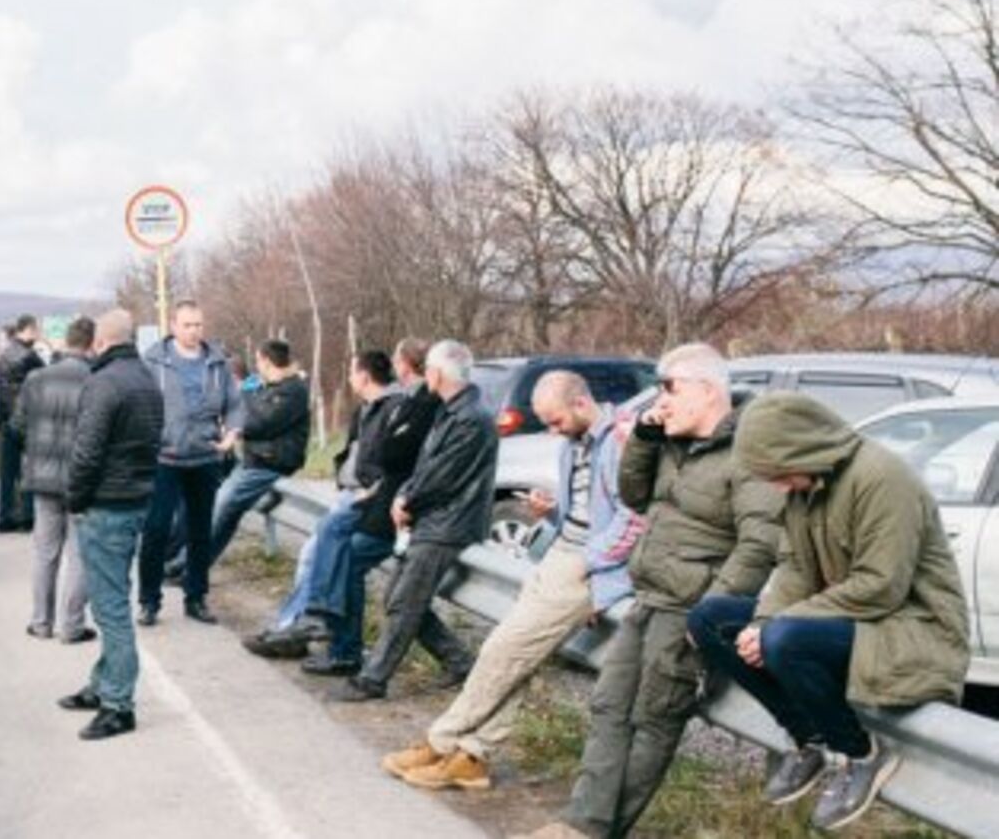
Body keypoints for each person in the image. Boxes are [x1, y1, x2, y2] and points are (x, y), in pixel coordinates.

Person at [525, 343, 784, 839]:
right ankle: (582, 822)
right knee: (608, 706)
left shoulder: (748, 452)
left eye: (670, 388)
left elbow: (759, 545)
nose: (660, 399)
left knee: (655, 718)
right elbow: (634, 495)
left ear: (707, 391)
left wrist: (709, 615)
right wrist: (644, 437)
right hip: (648, 595)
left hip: (690, 607)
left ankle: (598, 829)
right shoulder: (670, 442)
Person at [687, 393, 969, 831]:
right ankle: (810, 739)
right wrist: (761, 622)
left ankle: (860, 755)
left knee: (785, 639)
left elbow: (881, 587)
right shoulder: (805, 484)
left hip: (913, 629)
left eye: (778, 473)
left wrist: (777, 626)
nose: (777, 486)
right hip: (851, 618)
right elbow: (795, 569)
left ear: (800, 449)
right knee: (710, 619)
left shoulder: (882, 478)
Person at [384, 370, 642, 791]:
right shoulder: (573, 444)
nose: (553, 431)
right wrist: (549, 512)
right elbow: (589, 512)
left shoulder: (619, 441)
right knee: (517, 656)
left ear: (581, 403)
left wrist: (592, 565)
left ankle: (441, 740)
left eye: (556, 420)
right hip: (562, 553)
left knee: (502, 651)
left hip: (583, 564)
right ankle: (473, 756)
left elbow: (635, 518)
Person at [331, 340, 497, 703]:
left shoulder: (470, 418)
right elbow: (423, 465)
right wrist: (404, 495)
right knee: (397, 597)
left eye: (429, 372)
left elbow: (443, 475)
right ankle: (460, 662)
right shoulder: (451, 410)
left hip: (450, 523)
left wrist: (407, 500)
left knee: (404, 602)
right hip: (433, 519)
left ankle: (373, 678)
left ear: (436, 373)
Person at [243, 348, 406, 661]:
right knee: (313, 555)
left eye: (352, 372)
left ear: (364, 376)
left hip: (366, 498)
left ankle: (306, 625)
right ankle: (298, 625)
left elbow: (390, 463)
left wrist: (369, 489)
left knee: (320, 554)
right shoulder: (366, 409)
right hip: (351, 493)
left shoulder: (392, 409)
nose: (349, 378)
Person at [56, 309, 164, 741]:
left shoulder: (103, 383)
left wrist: (76, 499)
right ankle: (103, 684)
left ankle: (118, 704)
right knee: (112, 598)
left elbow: (86, 451)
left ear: (100, 342)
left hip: (106, 504)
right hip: (137, 496)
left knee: (110, 608)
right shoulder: (148, 379)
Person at [137, 301, 244, 626]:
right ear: (173, 326)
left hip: (205, 456)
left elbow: (235, 404)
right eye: (187, 325)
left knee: (200, 531)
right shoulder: (153, 361)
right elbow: (139, 404)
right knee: (156, 530)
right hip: (165, 458)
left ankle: (196, 597)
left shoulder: (217, 362)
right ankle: (149, 601)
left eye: (198, 324)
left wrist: (231, 435)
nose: (194, 331)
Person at [11, 315, 97, 643]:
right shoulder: (95, 380)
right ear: (91, 344)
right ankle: (71, 625)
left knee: (45, 552)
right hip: (81, 479)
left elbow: (17, 425)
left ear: (67, 342)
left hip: (43, 477)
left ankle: (41, 622)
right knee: (79, 554)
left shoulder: (36, 378)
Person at [207, 339, 311, 564]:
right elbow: (243, 413)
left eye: (257, 360)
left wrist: (234, 425)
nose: (256, 366)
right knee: (224, 510)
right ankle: (190, 565)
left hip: (270, 462)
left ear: (266, 361)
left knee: (221, 506)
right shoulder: (267, 387)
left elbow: (260, 424)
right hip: (255, 460)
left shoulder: (292, 390)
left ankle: (189, 566)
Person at [0, 314, 45, 533]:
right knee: (28, 472)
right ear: (28, 329)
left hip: (7, 420)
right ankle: (27, 517)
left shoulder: (4, 355)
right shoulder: (30, 357)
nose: (38, 335)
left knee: (7, 474)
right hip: (27, 420)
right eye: (36, 330)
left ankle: (5, 516)